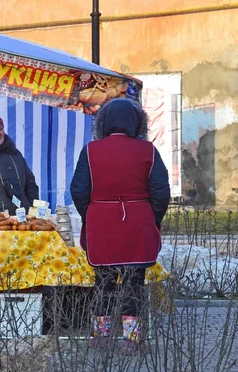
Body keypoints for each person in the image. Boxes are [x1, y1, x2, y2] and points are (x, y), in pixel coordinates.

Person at [70, 97, 170, 354]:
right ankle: (131, 340)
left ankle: (100, 337)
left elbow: (79, 190)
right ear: (137, 123)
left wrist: (91, 214)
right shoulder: (148, 150)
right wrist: (152, 218)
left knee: (102, 282)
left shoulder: (91, 150)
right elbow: (160, 192)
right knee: (134, 283)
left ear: (103, 123)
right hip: (138, 223)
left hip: (101, 224)